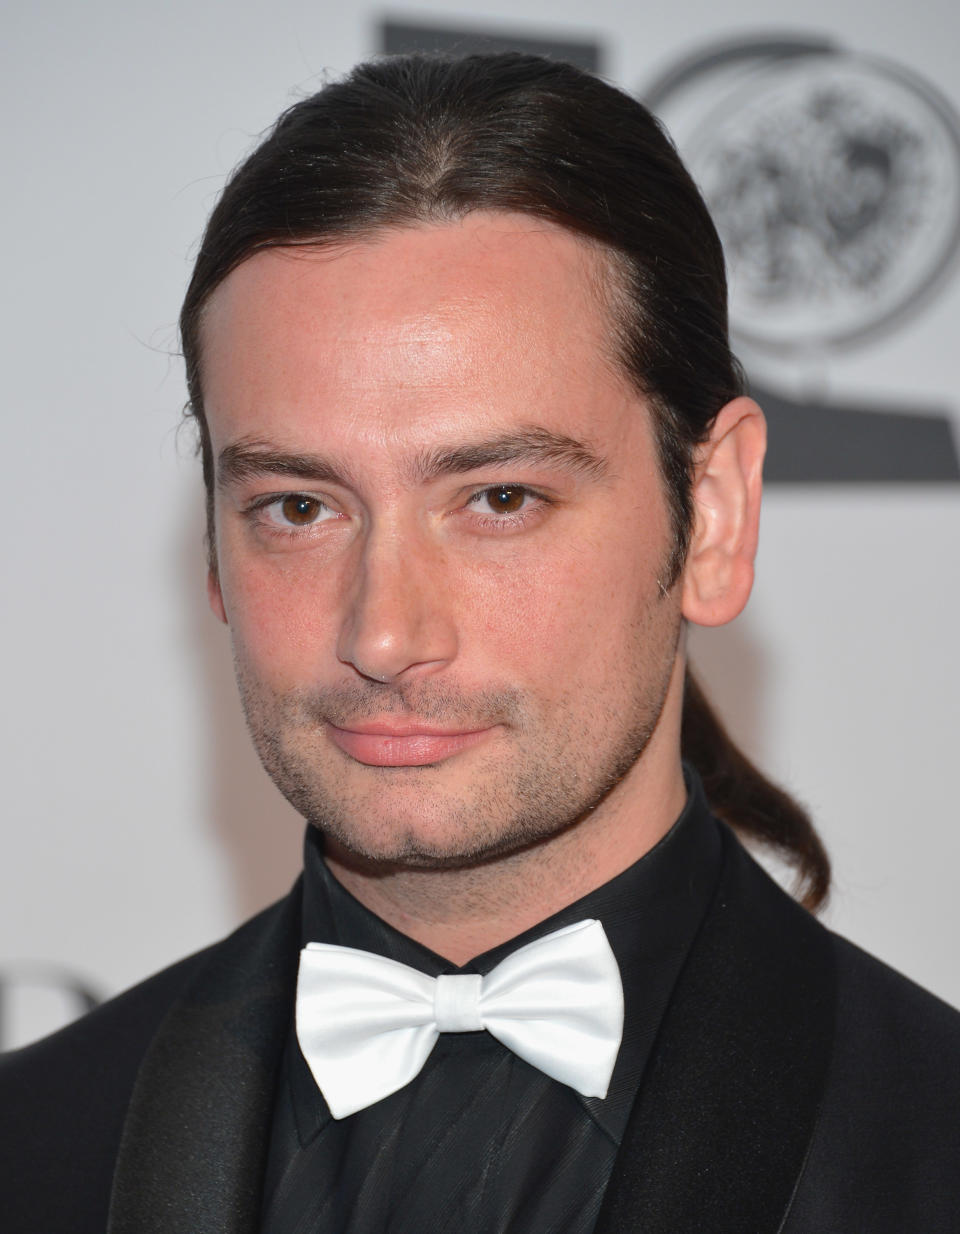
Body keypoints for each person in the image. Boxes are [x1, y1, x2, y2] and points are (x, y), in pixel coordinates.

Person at [2, 52, 958, 1234]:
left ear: (712, 515)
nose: (384, 633)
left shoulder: (930, 1142)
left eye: (499, 498)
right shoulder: (36, 1144)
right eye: (298, 507)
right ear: (213, 544)